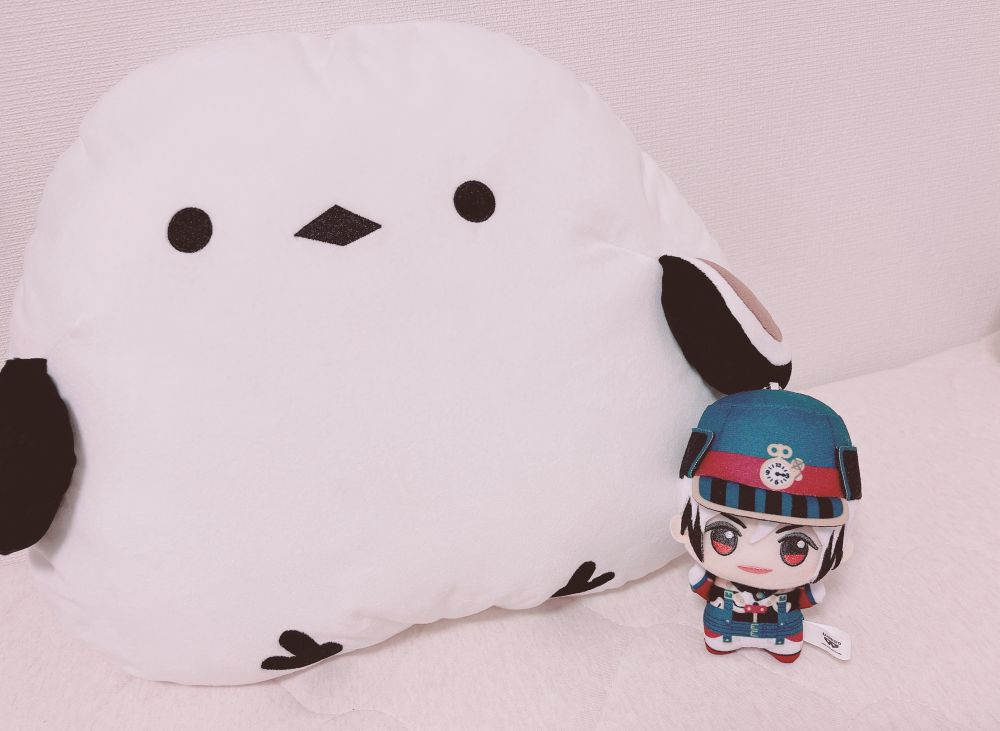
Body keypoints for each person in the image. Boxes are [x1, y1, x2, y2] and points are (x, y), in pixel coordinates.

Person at [669, 387, 862, 662]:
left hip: (783, 632)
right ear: (682, 526)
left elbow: (812, 596)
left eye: (794, 548)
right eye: (725, 537)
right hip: (725, 628)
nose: (757, 558)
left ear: (842, 549)